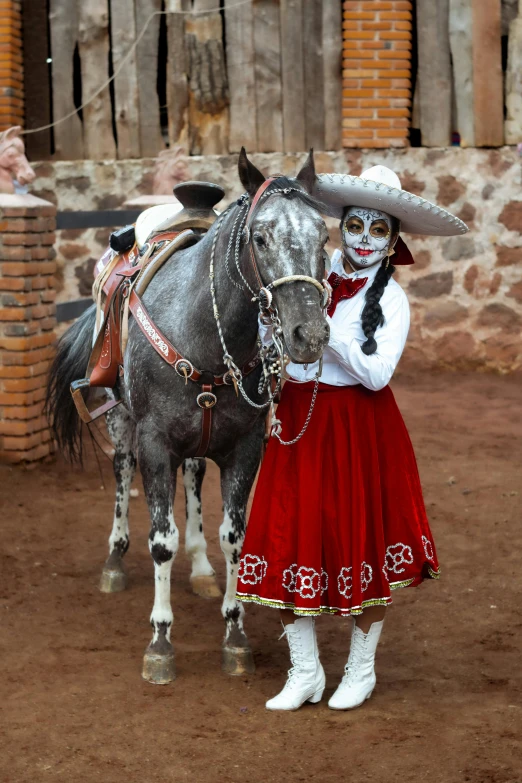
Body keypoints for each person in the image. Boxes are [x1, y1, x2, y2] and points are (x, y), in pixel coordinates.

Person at [236, 165, 469, 711]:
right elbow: (274, 341)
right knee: (288, 536)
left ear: (393, 241)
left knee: (362, 539)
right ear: (341, 226)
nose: (363, 240)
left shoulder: (392, 302)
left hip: (361, 427)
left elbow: (378, 373)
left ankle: (361, 670)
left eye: (379, 230)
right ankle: (305, 671)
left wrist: (326, 331)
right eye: (356, 226)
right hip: (299, 417)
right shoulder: (306, 275)